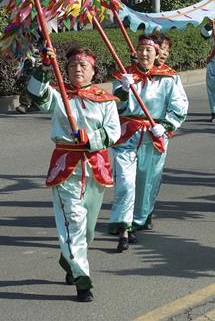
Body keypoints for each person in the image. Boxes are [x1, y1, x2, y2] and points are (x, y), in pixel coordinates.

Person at [27, 46, 121, 302]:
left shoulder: (105, 99)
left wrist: (90, 137)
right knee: (74, 223)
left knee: (87, 231)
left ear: (94, 71)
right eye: (71, 66)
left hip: (95, 168)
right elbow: (36, 93)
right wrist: (45, 68)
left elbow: (114, 132)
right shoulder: (59, 96)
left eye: (83, 66)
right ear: (65, 71)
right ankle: (83, 281)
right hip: (66, 168)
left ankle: (68, 258)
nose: (77, 70)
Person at [108, 36, 188, 250]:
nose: (144, 54)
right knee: (125, 181)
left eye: (149, 51)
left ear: (156, 54)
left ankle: (138, 219)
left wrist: (167, 125)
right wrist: (123, 91)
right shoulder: (123, 76)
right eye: (141, 50)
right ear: (135, 52)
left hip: (154, 134)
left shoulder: (169, 78)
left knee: (147, 181)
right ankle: (124, 227)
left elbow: (179, 107)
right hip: (127, 134)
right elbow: (116, 108)